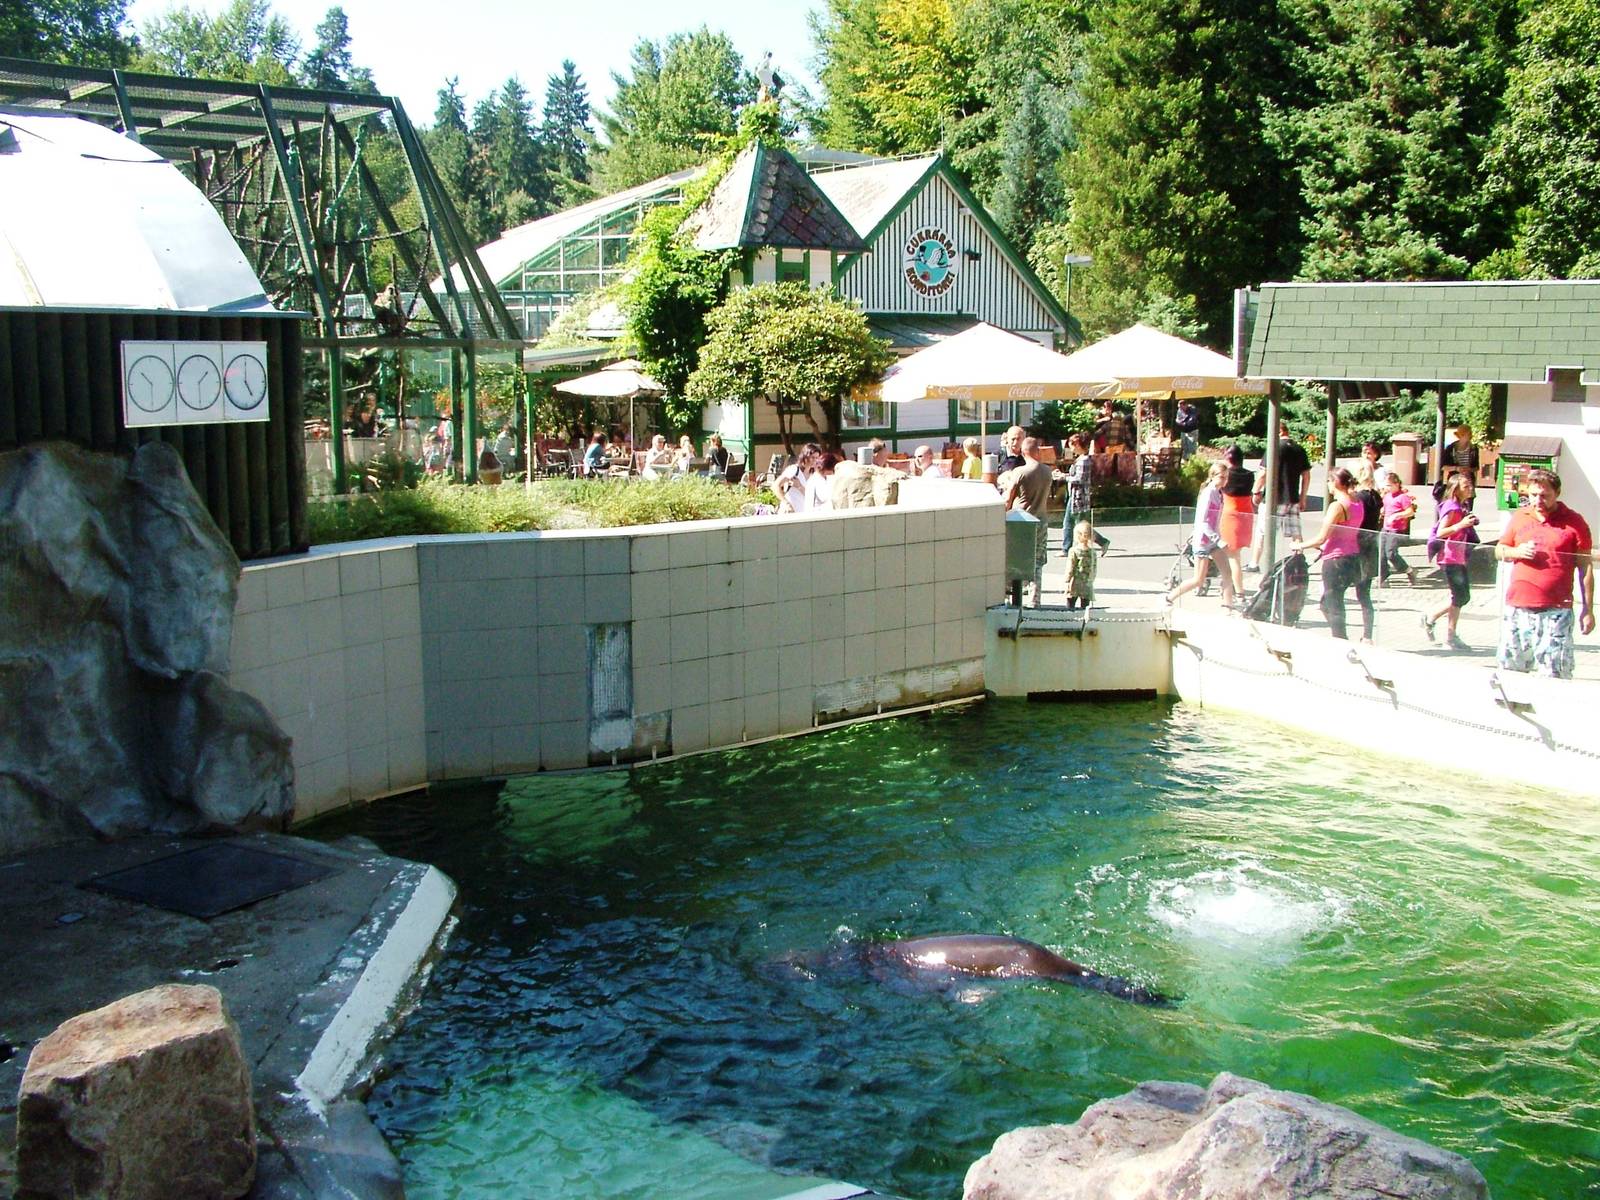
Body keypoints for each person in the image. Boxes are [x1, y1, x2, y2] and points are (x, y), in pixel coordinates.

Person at [1494, 469, 1594, 679]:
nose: (1537, 500)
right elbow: (1499, 550)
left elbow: (1585, 566)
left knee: (1553, 674)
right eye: (1533, 495)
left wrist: (1588, 609)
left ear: (1557, 493)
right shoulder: (1520, 517)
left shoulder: (1574, 522)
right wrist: (1516, 552)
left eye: (1544, 495)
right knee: (1511, 673)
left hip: (1556, 610)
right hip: (1517, 608)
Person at [1292, 467, 1371, 642]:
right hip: (1352, 555)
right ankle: (1341, 639)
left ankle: (1340, 641)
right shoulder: (1357, 502)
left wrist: (1299, 545)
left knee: (1333, 603)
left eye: (1328, 481)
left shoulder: (1337, 506)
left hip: (1336, 559)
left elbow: (1321, 537)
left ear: (1335, 482)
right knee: (1326, 603)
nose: (1327, 484)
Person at [1420, 474, 1478, 650]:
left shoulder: (1461, 506)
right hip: (1449, 557)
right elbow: (1441, 532)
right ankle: (1450, 635)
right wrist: (1460, 525)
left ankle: (1431, 618)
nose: (1470, 488)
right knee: (1460, 596)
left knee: (1462, 596)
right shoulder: (1452, 507)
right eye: (1466, 486)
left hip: (1458, 556)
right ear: (1456, 489)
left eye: (1470, 485)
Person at [1167, 461, 1236, 608]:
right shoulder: (1208, 493)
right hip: (1204, 541)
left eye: (1226, 477)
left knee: (1227, 574)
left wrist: (1218, 539)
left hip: (1213, 541)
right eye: (1222, 477)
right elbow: (1204, 521)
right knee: (1198, 579)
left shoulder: (1219, 493)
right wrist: (1218, 540)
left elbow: (1215, 521)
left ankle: (1228, 605)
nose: (1225, 480)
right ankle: (1169, 598)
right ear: (1212, 476)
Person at [1000, 436, 1054, 605]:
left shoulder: (1020, 472)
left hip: (1021, 520)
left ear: (1023, 452)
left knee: (1015, 559)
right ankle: (1035, 599)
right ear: (1037, 451)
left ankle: (1009, 596)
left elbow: (1009, 498)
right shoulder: (1047, 472)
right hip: (1041, 519)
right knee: (1037, 561)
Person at [1250, 433, 1311, 571]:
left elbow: (1263, 473)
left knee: (1264, 532)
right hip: (1292, 499)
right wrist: (1303, 497)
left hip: (1273, 499)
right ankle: (1300, 561)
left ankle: (1254, 563)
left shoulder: (1273, 448)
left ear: (1278, 432)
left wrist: (1255, 491)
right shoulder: (1299, 449)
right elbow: (1306, 475)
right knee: (1296, 532)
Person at [1058, 433, 1110, 552]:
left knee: (1079, 526)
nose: (1070, 449)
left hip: (1079, 497)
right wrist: (1064, 475)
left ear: (1077, 445)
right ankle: (1067, 548)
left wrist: (1063, 477)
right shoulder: (1080, 459)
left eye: (1071, 445)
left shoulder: (1084, 460)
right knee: (1072, 524)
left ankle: (1100, 542)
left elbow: (1080, 479)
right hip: (1075, 496)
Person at [1218, 445, 1255, 596]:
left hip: (1230, 515)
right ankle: (1231, 585)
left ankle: (1238, 590)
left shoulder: (1227, 475)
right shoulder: (1249, 475)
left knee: (1232, 557)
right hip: (1246, 514)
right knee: (1235, 555)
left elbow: (1220, 491)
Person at [1378, 469, 1418, 587]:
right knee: (1381, 553)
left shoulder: (1403, 497)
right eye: (1386, 485)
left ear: (1397, 484)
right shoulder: (1386, 496)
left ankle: (1408, 570)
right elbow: (1386, 507)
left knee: (1391, 553)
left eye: (1389, 485)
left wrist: (1398, 515)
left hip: (1396, 529)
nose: (1387, 488)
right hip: (1386, 527)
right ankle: (1384, 576)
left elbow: (1410, 512)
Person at [1063, 520, 1098, 610]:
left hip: (1075, 581)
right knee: (1085, 606)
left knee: (1070, 603)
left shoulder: (1074, 551)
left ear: (1077, 536)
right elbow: (1094, 567)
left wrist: (1067, 579)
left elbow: (1070, 567)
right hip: (1087, 582)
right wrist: (1091, 579)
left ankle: (1070, 619)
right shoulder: (1093, 552)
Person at [776, 443, 819, 513]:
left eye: (817, 458)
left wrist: (799, 486)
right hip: (789, 513)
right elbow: (776, 486)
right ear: (805, 457)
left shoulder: (814, 475)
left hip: (803, 514)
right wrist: (786, 503)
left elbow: (813, 497)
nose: (815, 460)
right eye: (812, 457)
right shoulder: (794, 470)